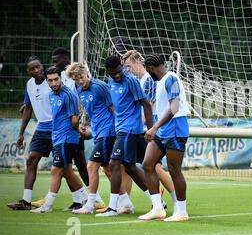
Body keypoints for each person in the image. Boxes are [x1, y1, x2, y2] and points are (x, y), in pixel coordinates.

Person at [7, 57, 86, 211]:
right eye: (32, 68)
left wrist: (78, 129)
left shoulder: (61, 88)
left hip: (62, 131)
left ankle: (75, 201)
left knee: (63, 168)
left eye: (38, 67)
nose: (36, 70)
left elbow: (72, 110)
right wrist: (21, 132)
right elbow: (29, 107)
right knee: (33, 160)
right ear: (28, 71)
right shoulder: (32, 86)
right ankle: (26, 201)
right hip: (43, 127)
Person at [96, 55, 155, 217]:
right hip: (120, 129)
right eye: (113, 73)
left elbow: (146, 105)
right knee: (129, 167)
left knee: (114, 164)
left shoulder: (131, 81)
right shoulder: (110, 80)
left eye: (118, 71)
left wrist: (150, 130)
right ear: (108, 71)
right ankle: (157, 201)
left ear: (122, 66)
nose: (117, 75)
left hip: (129, 129)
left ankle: (113, 208)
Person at [122, 50, 177, 208]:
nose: (128, 70)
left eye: (129, 66)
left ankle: (175, 201)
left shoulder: (150, 81)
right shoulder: (138, 81)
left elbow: (150, 106)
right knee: (127, 163)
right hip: (141, 130)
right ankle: (125, 203)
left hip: (149, 130)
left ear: (138, 62)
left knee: (155, 166)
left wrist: (149, 127)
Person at [139, 53, 190, 222]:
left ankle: (181, 211)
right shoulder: (160, 81)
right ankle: (158, 208)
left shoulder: (171, 78)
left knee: (174, 170)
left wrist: (154, 127)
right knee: (147, 164)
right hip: (163, 130)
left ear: (151, 68)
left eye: (148, 70)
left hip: (175, 127)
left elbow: (175, 107)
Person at [30, 66, 86, 213]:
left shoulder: (68, 94)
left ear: (60, 78)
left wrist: (78, 129)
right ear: (47, 81)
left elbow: (74, 120)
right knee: (66, 171)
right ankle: (88, 199)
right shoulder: (51, 95)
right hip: (58, 137)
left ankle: (47, 206)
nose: (54, 83)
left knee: (56, 170)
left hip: (67, 137)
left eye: (56, 79)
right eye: (50, 81)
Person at [65, 63, 116, 214]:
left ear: (86, 73)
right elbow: (91, 110)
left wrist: (119, 129)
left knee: (91, 166)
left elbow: (113, 108)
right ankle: (124, 201)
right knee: (107, 169)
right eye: (76, 79)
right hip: (98, 131)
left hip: (109, 131)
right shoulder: (79, 90)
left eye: (81, 77)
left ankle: (90, 204)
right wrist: (85, 126)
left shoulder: (100, 86)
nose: (80, 81)